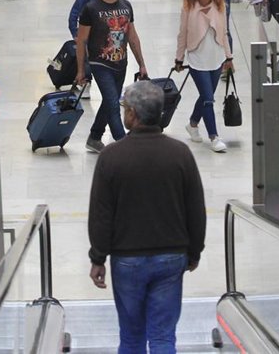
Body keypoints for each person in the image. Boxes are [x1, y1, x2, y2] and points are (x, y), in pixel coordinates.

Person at [87, 80, 206, 354]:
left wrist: (98, 257)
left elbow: (101, 215)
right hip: (171, 256)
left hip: (127, 259)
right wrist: (194, 252)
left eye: (125, 108)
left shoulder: (112, 157)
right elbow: (195, 209)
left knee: (131, 338)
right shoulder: (180, 154)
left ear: (132, 115)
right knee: (163, 338)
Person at [75, 0, 149, 153]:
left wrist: (141, 64)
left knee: (110, 101)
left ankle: (94, 137)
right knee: (113, 104)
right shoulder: (91, 9)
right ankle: (124, 145)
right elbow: (81, 40)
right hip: (100, 64)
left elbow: (132, 36)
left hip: (120, 64)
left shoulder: (126, 6)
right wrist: (81, 70)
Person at [173, 0, 234, 153]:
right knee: (208, 99)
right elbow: (182, 34)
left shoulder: (220, 5)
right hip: (197, 58)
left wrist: (229, 57)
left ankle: (192, 124)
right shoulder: (188, 7)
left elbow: (224, 32)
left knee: (206, 96)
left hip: (216, 57)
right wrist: (179, 58)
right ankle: (214, 137)